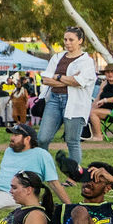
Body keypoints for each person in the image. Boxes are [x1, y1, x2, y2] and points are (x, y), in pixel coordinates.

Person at [37, 26, 97, 166]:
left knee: (72, 141)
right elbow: (45, 79)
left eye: (71, 40)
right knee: (42, 138)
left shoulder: (86, 61)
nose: (67, 43)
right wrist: (68, 79)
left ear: (80, 40)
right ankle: (45, 168)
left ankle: (74, 174)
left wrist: (57, 77)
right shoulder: (57, 57)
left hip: (75, 103)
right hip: (54, 100)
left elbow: (80, 82)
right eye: (65, 40)